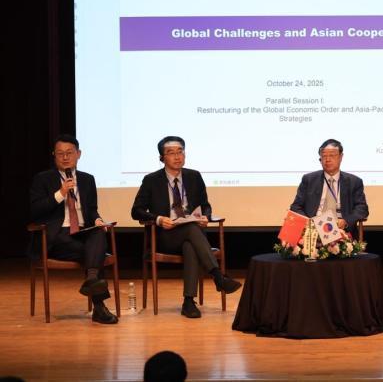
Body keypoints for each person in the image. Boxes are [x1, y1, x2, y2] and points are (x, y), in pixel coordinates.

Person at [131, 136, 241, 318]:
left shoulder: (194, 176)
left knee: (190, 244)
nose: (177, 156)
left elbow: (205, 205)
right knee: (192, 230)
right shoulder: (151, 180)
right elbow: (136, 211)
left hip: (192, 235)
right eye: (171, 153)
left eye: (180, 151)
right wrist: (159, 219)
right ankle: (218, 276)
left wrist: (205, 216)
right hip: (165, 236)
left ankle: (189, 302)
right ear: (161, 158)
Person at [29, 134, 118, 324]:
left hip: (82, 233)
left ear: (79, 154)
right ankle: (99, 307)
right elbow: (35, 210)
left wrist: (97, 220)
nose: (65, 157)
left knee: (98, 232)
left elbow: (91, 210)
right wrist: (60, 193)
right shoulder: (42, 179)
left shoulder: (87, 179)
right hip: (56, 236)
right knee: (96, 253)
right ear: (54, 155)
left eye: (69, 153)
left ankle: (92, 279)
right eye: (60, 153)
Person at [290, 139, 369, 238]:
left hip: (341, 232)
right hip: (314, 231)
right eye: (324, 156)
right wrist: (309, 222)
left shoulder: (354, 182)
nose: (327, 160)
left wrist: (346, 221)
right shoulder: (309, 179)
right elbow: (295, 207)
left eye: (332, 155)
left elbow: (362, 208)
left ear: (341, 157)